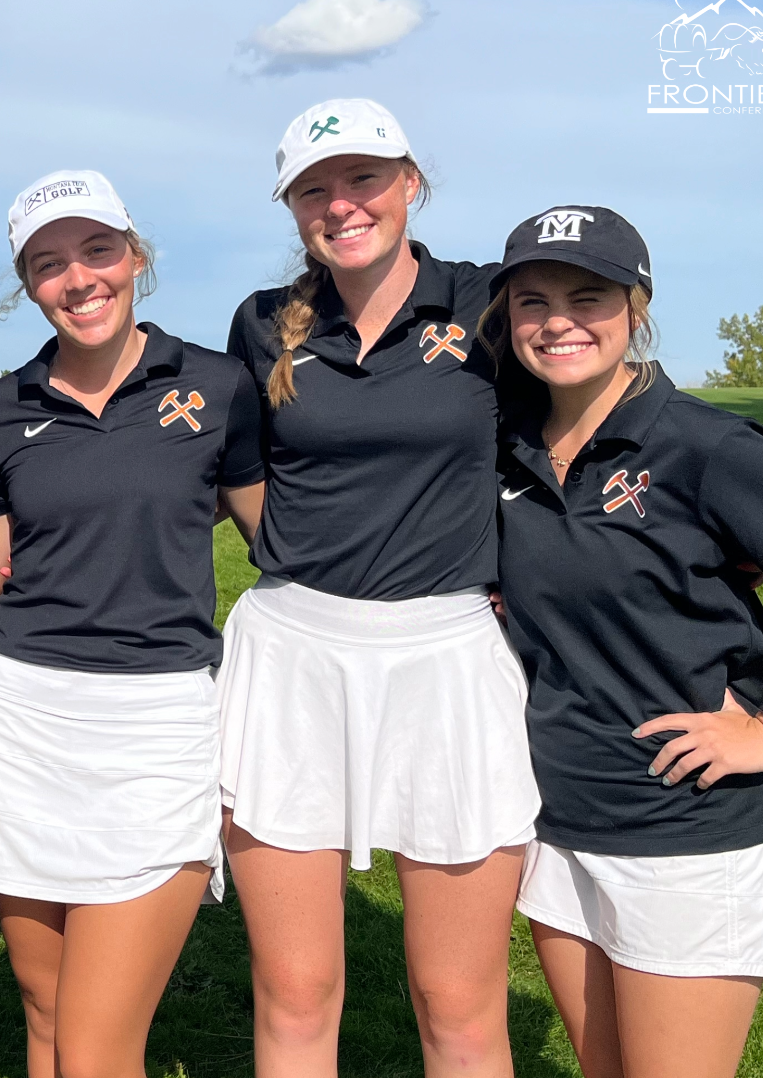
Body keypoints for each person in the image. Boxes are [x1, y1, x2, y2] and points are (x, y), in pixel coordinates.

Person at [216, 99, 540, 1076]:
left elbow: (574, 432)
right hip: (290, 657)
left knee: (456, 1004)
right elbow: (241, 471)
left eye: (362, 178)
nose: (341, 204)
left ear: (409, 182)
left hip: (448, 658)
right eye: (313, 189)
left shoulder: (486, 303)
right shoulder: (262, 323)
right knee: (295, 992)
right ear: (290, 207)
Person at [484, 205, 763, 1078]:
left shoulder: (704, 444)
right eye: (532, 300)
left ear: (636, 308)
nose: (558, 321)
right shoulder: (506, 448)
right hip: (559, 823)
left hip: (690, 829)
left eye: (587, 297)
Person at [0, 171, 265, 1078]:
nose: (79, 278)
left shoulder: (217, 386)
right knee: (47, 1008)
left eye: (98, 250)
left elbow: (280, 538)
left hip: (157, 728)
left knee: (94, 1045)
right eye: (49, 263)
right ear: (27, 284)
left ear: (135, 257)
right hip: (22, 721)